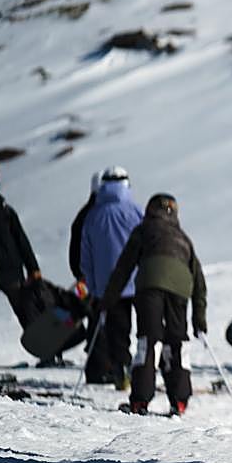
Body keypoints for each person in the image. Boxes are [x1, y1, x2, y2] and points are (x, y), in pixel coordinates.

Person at [101, 194, 207, 415]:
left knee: (149, 341)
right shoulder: (183, 238)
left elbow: (124, 268)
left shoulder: (143, 231)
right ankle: (179, 400)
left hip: (150, 284)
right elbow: (198, 281)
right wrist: (199, 319)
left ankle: (140, 400)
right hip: (180, 286)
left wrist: (108, 300)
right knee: (177, 341)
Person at [81, 166, 144, 387]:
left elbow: (86, 257)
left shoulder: (93, 216)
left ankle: (122, 370)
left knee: (119, 332)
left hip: (107, 287)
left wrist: (93, 286)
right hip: (138, 281)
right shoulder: (136, 211)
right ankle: (146, 372)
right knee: (146, 329)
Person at [0, 167, 45, 338]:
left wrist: (33, 269)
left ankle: (46, 349)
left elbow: (22, 242)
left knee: (26, 311)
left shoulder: (6, 212)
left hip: (10, 271)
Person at [68, 171, 103, 282]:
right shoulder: (107, 215)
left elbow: (74, 253)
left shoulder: (82, 215)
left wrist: (78, 274)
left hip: (85, 277)